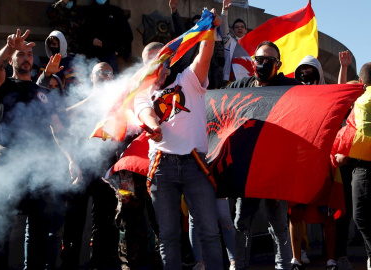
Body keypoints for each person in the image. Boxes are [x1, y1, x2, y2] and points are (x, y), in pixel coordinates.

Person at [135, 9, 223, 270]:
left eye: (161, 59)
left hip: (196, 164)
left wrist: (209, 30)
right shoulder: (141, 91)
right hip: (162, 167)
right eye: (151, 62)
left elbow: (204, 56)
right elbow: (145, 112)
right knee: (169, 235)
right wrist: (153, 127)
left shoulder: (189, 79)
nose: (158, 66)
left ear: (170, 58)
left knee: (209, 231)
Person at [0, 28, 80, 270]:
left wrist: (71, 158)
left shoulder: (43, 93)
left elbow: (58, 129)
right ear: (12, 60)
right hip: (8, 163)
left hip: (39, 167)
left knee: (38, 227)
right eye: (21, 54)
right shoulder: (5, 86)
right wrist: (8, 47)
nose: (27, 57)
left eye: (29, 54)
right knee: (0, 226)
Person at [225, 41, 301, 270]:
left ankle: (283, 266)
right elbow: (217, 103)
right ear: (253, 61)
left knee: (278, 224)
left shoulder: (290, 87)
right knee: (241, 222)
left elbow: (311, 103)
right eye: (259, 59)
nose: (263, 63)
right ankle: (239, 266)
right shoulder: (241, 85)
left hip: (275, 168)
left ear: (278, 64)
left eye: (269, 60)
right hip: (247, 169)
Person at [60, 62, 122, 269]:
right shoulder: (84, 101)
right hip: (83, 167)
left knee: (105, 222)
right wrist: (71, 160)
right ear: (92, 78)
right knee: (74, 223)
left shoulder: (119, 104)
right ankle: (69, 264)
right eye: (100, 73)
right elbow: (58, 123)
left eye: (109, 73)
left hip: (107, 168)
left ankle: (99, 264)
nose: (105, 76)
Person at [289, 55, 338, 270]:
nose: (305, 76)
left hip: (322, 162)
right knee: (296, 212)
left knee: (327, 211)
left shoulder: (328, 96)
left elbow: (340, 99)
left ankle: (331, 259)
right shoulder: (293, 96)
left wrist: (344, 68)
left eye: (310, 71)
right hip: (299, 163)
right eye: (302, 72)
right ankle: (296, 258)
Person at [333, 62, 371, 270]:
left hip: (359, 166)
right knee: (347, 213)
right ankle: (340, 256)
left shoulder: (363, 105)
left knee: (361, 216)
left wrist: (345, 152)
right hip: (347, 171)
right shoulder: (348, 111)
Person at [79, 0, 133, 73]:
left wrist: (119, 50)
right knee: (91, 81)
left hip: (111, 56)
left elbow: (127, 34)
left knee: (111, 81)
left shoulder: (116, 11)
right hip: (92, 57)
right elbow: (81, 34)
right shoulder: (87, 12)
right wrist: (91, 41)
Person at [220, 0, 250, 84]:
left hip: (250, 80)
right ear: (233, 31)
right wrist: (224, 11)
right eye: (237, 27)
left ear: (246, 30)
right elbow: (224, 28)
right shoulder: (229, 42)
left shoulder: (252, 44)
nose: (240, 28)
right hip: (232, 80)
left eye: (242, 27)